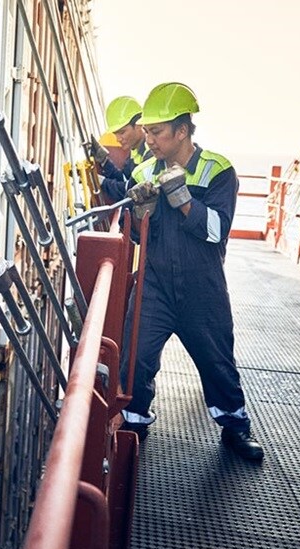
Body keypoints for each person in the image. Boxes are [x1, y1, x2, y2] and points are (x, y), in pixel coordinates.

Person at [119, 82, 264, 461]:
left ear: (182, 130)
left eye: (157, 131)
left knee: (217, 360)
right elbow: (135, 236)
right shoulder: (144, 172)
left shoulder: (218, 171)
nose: (148, 140)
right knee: (136, 357)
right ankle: (133, 421)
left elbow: (216, 231)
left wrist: (182, 199)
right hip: (154, 285)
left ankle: (235, 425)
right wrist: (139, 213)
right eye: (147, 131)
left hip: (203, 289)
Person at [88, 96, 152, 203]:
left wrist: (101, 182)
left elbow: (129, 190)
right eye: (115, 134)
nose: (118, 139)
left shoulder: (151, 154)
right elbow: (124, 178)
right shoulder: (134, 151)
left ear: (138, 125)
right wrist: (104, 161)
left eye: (122, 132)